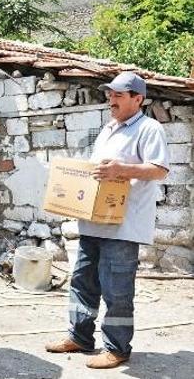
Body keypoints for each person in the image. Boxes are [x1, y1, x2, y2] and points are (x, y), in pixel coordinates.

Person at [45, 72, 169, 369]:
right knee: (82, 281)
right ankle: (80, 337)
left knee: (116, 288)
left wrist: (122, 170)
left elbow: (160, 170)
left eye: (118, 95)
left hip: (123, 226)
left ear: (137, 99)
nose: (110, 99)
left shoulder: (149, 128)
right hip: (94, 222)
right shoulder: (109, 128)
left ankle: (117, 348)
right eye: (110, 94)